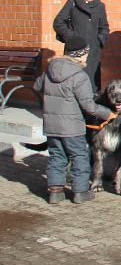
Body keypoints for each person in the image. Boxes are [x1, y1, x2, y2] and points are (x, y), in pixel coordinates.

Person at [33, 35, 114, 204]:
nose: (86, 57)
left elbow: (36, 86)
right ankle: (80, 191)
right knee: (79, 156)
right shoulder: (79, 76)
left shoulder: (50, 69)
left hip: (51, 125)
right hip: (72, 127)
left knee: (57, 156)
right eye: (85, 53)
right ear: (80, 54)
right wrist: (108, 114)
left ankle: (55, 192)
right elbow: (89, 107)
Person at [53, 0, 110, 92]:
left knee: (91, 82)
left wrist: (99, 41)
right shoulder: (72, 3)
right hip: (75, 48)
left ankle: (90, 106)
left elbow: (104, 27)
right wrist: (71, 37)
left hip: (93, 50)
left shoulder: (100, 6)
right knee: (73, 79)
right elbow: (58, 22)